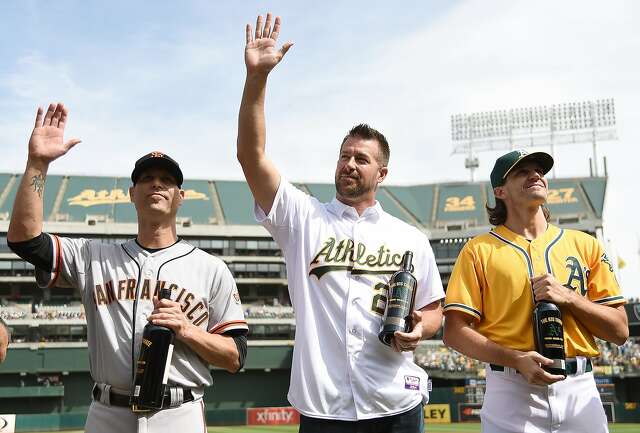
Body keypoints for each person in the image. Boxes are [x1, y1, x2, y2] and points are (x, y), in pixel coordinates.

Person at [237, 13, 444, 433]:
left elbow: (433, 310)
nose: (349, 164)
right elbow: (251, 157)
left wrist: (420, 327)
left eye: (361, 159)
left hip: (395, 403)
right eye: (344, 155)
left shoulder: (409, 238)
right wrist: (257, 79)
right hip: (324, 407)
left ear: (381, 174)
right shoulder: (304, 218)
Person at [8, 103, 248, 433]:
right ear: (132, 194)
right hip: (108, 412)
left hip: (179, 413)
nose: (156, 184)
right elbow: (25, 240)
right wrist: (37, 163)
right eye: (146, 178)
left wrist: (188, 330)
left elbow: (235, 357)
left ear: (180, 196)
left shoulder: (211, 269)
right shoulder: (93, 256)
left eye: (167, 180)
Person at [443, 149, 628, 433]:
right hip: (512, 390)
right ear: (500, 191)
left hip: (579, 387)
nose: (535, 175)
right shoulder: (477, 250)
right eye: (522, 171)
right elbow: (454, 332)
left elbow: (619, 331)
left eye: (539, 170)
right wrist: (514, 359)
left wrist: (570, 297)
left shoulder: (585, 244)